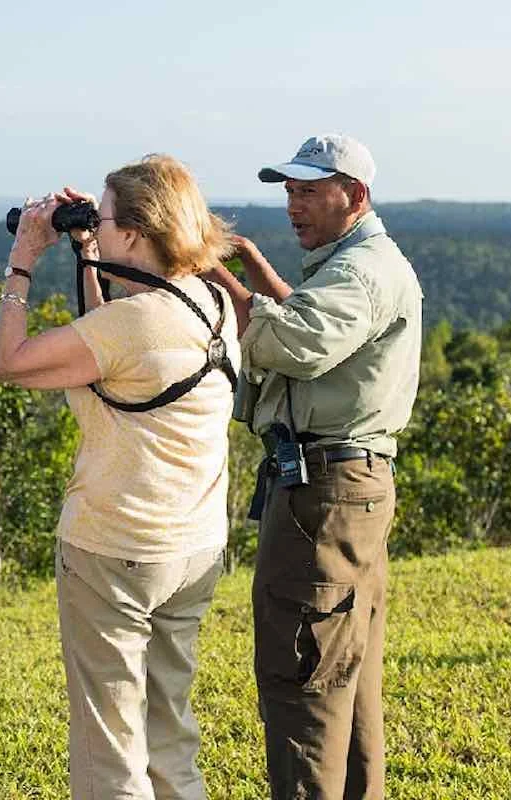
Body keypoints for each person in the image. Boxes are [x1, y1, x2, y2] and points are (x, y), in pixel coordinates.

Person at [0, 154, 240, 799]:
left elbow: (9, 363)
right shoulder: (210, 304)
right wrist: (85, 250)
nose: (96, 229)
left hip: (116, 548)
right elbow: (112, 354)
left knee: (110, 749)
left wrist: (23, 260)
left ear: (133, 233)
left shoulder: (132, 325)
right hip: (192, 550)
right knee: (169, 734)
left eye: (103, 220)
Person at [204, 134, 423, 799]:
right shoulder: (356, 262)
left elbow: (290, 341)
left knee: (302, 679)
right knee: (343, 677)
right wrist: (249, 263)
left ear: (353, 195)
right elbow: (300, 313)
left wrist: (212, 274)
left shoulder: (361, 272)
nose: (293, 206)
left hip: (323, 494)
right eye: (289, 193)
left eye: (308, 193)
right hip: (345, 487)